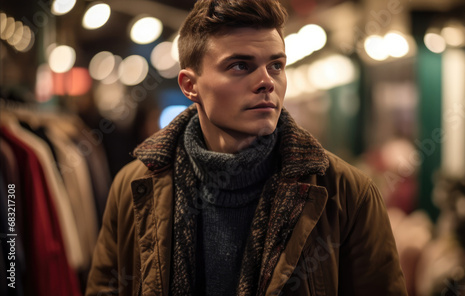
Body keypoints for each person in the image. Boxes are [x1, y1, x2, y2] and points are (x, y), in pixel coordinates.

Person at [85, 0, 408, 295]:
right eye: (240, 66)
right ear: (189, 85)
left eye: (276, 66)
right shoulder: (134, 187)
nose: (266, 81)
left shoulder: (347, 193)